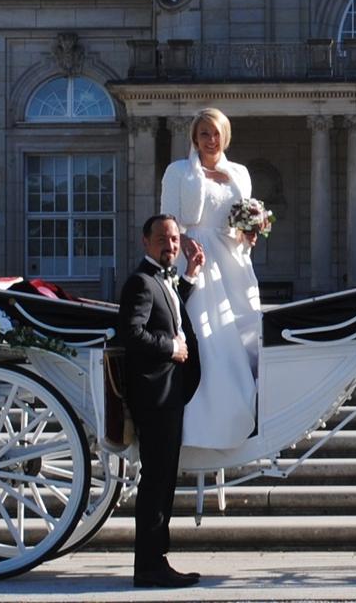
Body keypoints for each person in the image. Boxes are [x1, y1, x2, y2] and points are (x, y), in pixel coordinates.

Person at [161, 107, 261, 453]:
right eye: (203, 133)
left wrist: (251, 233)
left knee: (242, 329)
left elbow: (241, 218)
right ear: (194, 137)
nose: (210, 139)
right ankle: (199, 423)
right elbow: (169, 221)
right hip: (197, 261)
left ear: (225, 136)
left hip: (232, 258)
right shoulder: (178, 173)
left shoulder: (240, 174)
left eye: (215, 132)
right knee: (206, 336)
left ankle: (244, 412)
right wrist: (185, 242)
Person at [118, 214, 204, 588]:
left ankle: (155, 562)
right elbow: (131, 334)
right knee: (156, 482)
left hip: (168, 396)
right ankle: (150, 566)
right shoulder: (140, 282)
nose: (169, 245)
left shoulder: (159, 280)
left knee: (163, 480)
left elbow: (166, 309)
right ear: (145, 242)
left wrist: (189, 278)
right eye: (162, 239)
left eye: (173, 239)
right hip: (154, 397)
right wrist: (172, 347)